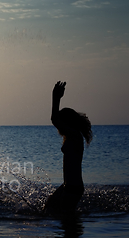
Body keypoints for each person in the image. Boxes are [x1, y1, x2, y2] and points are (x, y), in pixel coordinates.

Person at [44, 81, 92, 216]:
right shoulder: (71, 137)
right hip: (69, 185)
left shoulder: (75, 135)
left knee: (67, 222)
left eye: (61, 122)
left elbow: (54, 119)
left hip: (73, 187)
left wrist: (55, 97)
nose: (58, 127)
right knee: (49, 206)